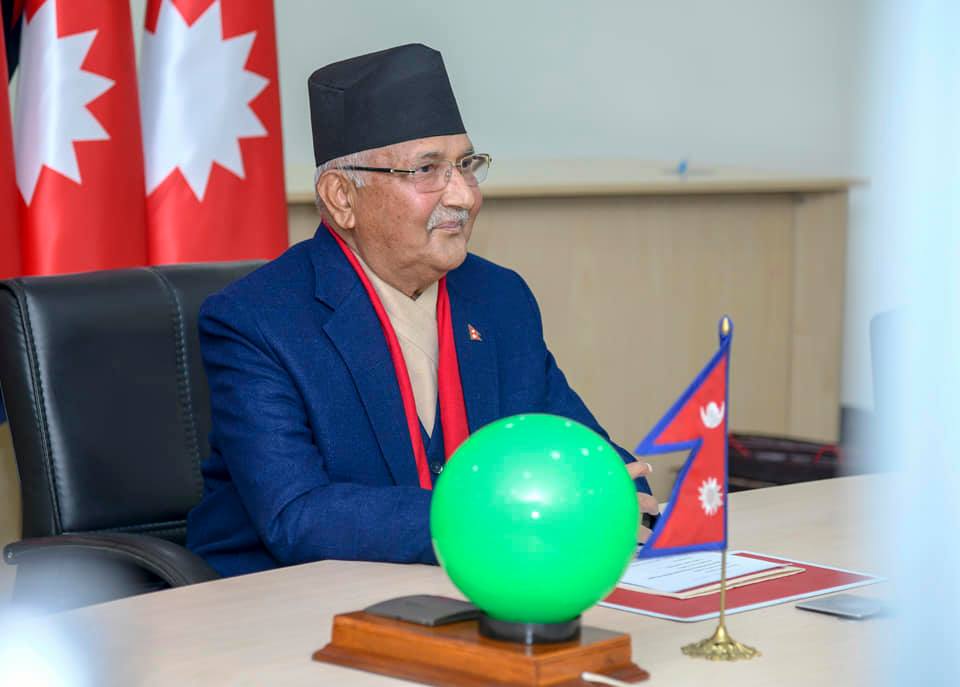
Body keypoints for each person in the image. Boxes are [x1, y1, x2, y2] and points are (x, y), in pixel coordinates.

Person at [187, 44, 657, 577]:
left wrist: (614, 492)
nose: (464, 197)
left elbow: (573, 447)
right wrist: (491, 518)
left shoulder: (499, 298)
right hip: (281, 598)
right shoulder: (256, 321)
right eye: (428, 169)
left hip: (468, 583)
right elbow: (297, 516)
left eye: (467, 166)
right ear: (342, 197)